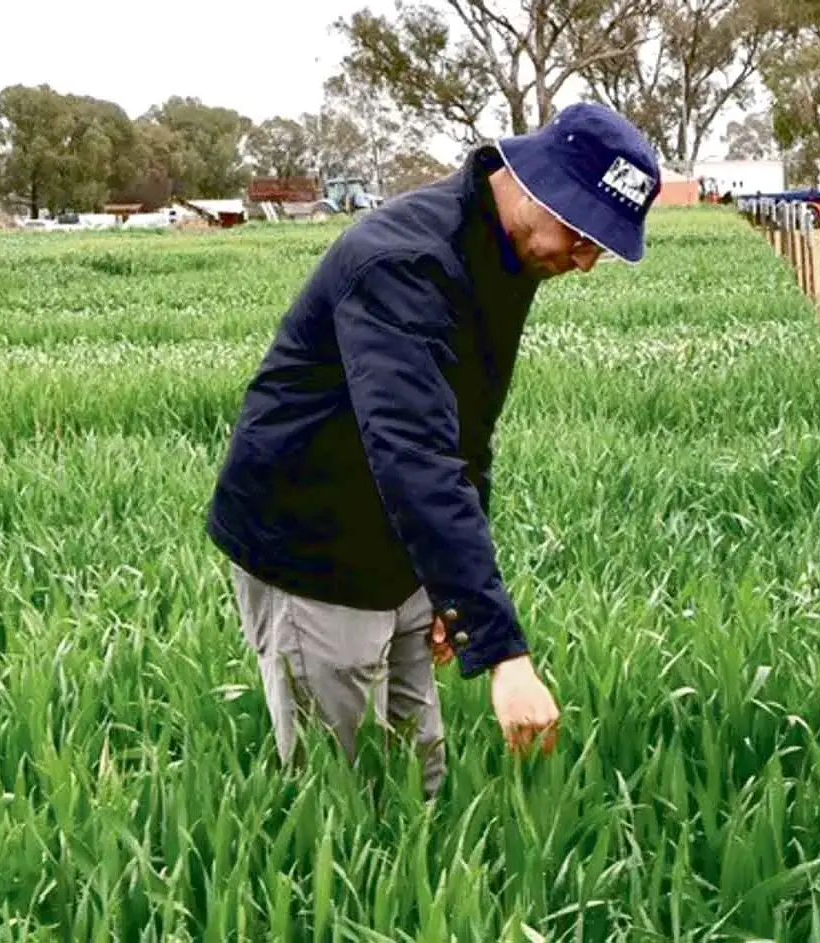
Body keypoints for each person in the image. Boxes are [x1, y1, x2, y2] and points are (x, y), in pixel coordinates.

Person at [206, 102, 663, 797]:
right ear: (537, 187)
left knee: (418, 775)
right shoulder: (404, 263)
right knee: (341, 795)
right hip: (309, 543)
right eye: (582, 232)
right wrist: (504, 653)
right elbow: (415, 453)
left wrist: (452, 598)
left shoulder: (505, 254)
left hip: (393, 537)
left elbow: (465, 434)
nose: (586, 261)